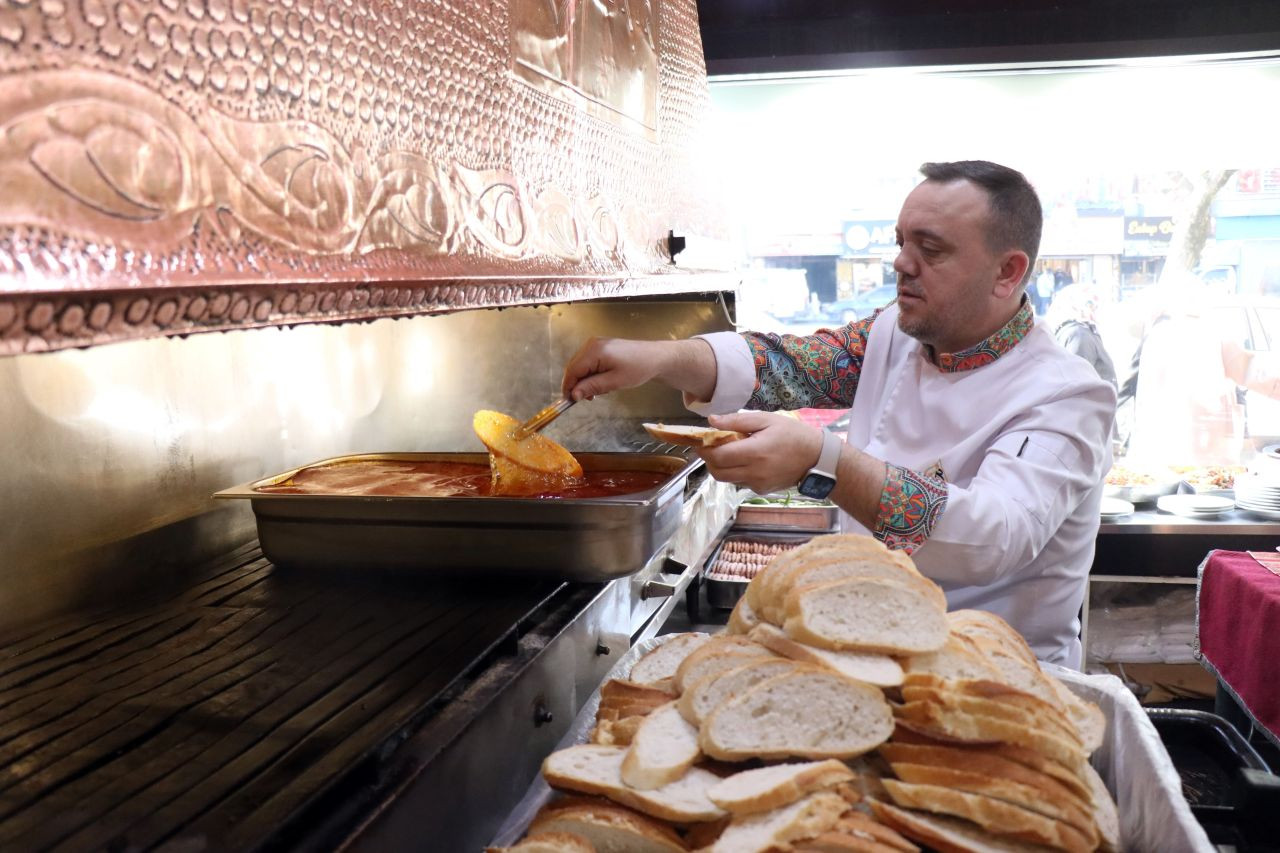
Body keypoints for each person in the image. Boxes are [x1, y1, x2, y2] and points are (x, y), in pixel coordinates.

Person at [561, 161, 1116, 667]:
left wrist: (819, 460)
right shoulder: (894, 334)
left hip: (1002, 682)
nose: (901, 262)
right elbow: (789, 365)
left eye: (932, 249)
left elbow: (992, 538)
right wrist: (659, 357)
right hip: (874, 657)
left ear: (1007, 272)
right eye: (902, 242)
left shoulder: (1066, 395)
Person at [1046, 283, 1118, 390]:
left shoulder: (1080, 331)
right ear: (1076, 305)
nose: (1095, 309)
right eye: (1090, 305)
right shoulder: (1079, 335)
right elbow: (1077, 381)